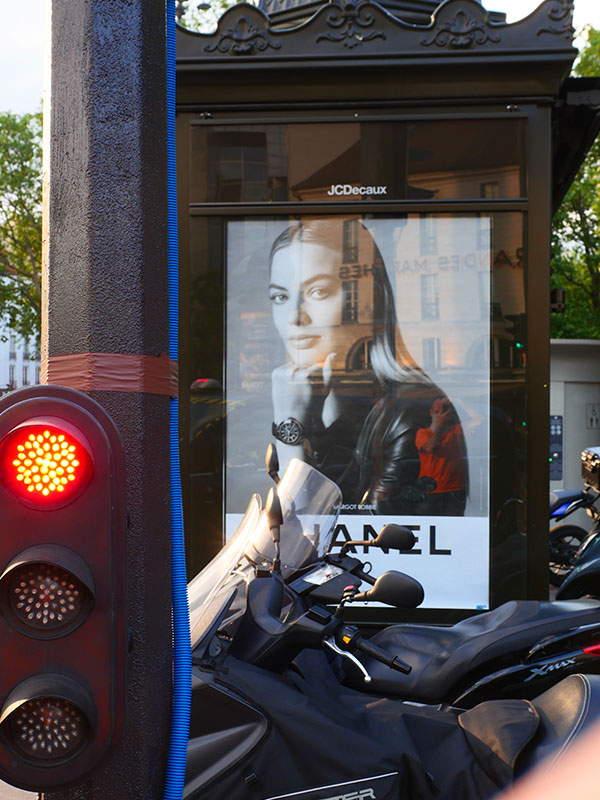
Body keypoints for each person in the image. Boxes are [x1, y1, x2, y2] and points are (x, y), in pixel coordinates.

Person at [267, 215, 467, 516]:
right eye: (280, 296)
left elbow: (305, 534)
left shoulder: (410, 410)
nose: (295, 317)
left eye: (318, 292)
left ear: (369, 302)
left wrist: (288, 425)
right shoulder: (316, 398)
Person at [415, 396, 468, 516]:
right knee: (427, 523)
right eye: (437, 411)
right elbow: (429, 448)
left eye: (445, 410)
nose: (441, 415)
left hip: (454, 489)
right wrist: (441, 425)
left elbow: (480, 420)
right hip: (430, 490)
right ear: (431, 412)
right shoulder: (423, 433)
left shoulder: (456, 431)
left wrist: (459, 401)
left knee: (454, 526)